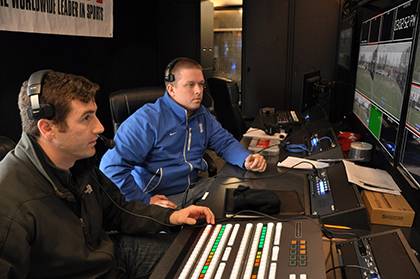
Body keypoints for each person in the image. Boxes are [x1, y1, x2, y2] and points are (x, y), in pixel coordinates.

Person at [0, 70, 215, 278]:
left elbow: (119, 210)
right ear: (47, 128)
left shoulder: (78, 164)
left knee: (198, 256)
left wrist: (172, 216)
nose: (100, 127)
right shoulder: (9, 202)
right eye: (86, 118)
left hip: (111, 258)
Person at [100, 57, 267, 209]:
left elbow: (224, 142)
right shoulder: (146, 120)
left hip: (194, 189)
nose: (198, 91)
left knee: (244, 197)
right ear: (171, 89)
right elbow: (110, 167)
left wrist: (246, 159)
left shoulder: (202, 115)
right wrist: (144, 200)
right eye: (190, 85)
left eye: (201, 84)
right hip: (162, 198)